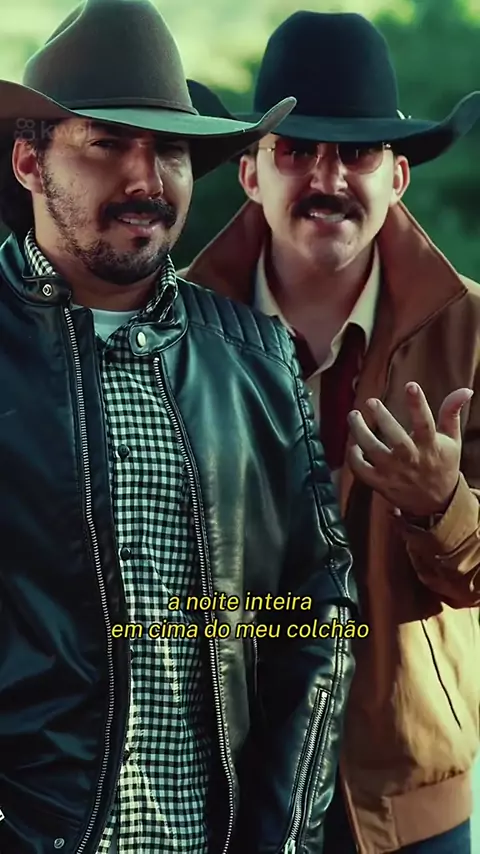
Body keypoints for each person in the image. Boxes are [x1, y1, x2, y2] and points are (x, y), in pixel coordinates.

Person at [0, 1, 358, 853]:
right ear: (28, 161)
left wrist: (284, 838)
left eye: (169, 149)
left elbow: (316, 615)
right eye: (107, 143)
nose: (146, 179)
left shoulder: (258, 361)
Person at [183, 11, 480, 854]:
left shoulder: (473, 334)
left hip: (407, 799)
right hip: (223, 785)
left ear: (398, 177)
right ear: (249, 172)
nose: (328, 176)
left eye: (357, 153)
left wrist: (442, 505)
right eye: (297, 149)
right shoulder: (174, 336)